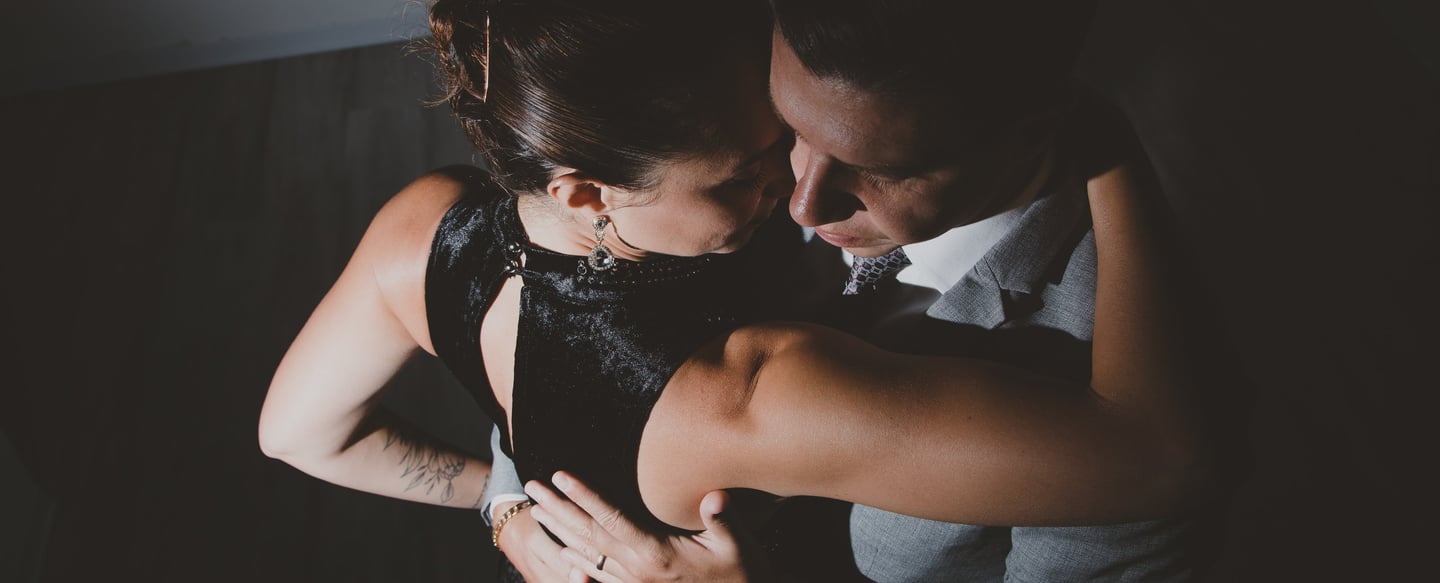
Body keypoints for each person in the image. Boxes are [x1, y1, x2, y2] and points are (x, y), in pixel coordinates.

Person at [257, 0, 1208, 582]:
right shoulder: (744, 389)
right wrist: (519, 508)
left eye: (773, 146)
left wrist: (514, 504)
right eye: (750, 168)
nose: (794, 199)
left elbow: (299, 432)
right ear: (585, 194)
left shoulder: (425, 222)